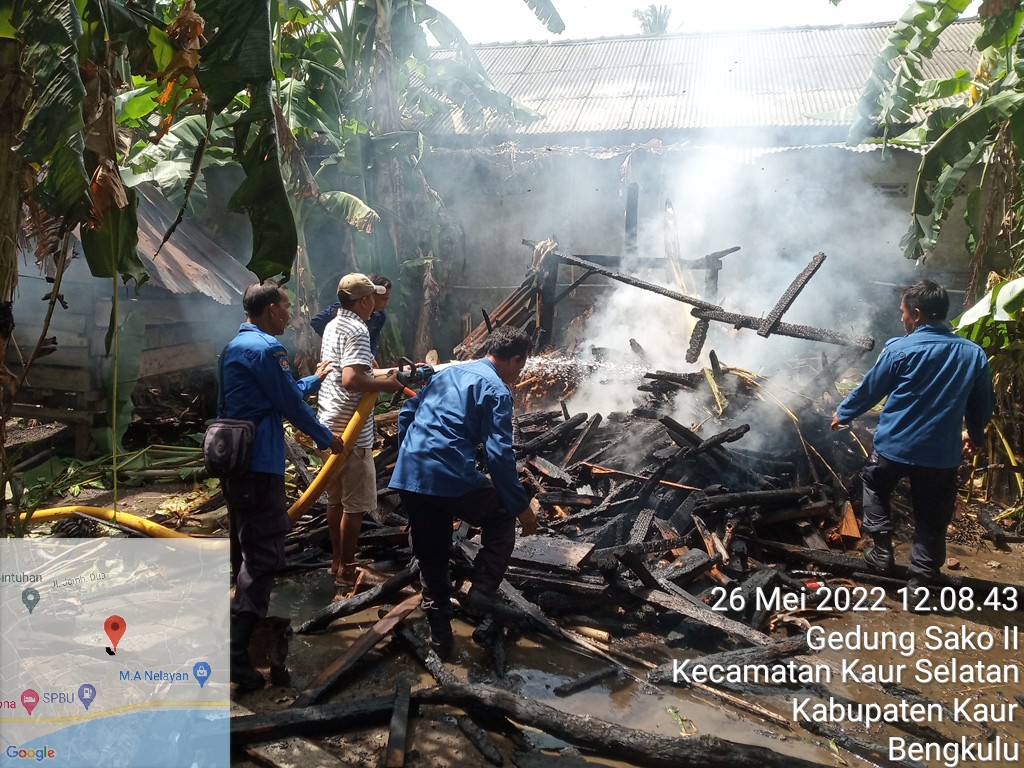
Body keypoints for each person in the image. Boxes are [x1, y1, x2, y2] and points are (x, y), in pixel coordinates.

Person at [220, 280, 346, 692]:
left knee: (243, 549)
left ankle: (236, 637)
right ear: (270, 309)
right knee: (263, 554)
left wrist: (314, 380)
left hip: (234, 461)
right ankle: (237, 657)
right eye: (286, 307)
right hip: (260, 464)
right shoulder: (267, 349)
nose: (289, 315)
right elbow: (289, 405)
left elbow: (275, 394)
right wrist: (326, 437)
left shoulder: (236, 347)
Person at [831, 279, 993, 588]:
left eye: (903, 312)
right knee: (932, 517)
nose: (902, 318)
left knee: (874, 483)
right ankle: (921, 583)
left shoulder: (899, 349)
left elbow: (870, 388)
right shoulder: (973, 355)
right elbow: (982, 404)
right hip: (940, 457)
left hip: (894, 448)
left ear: (916, 314)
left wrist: (845, 412)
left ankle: (881, 549)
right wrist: (975, 435)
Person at [390, 326, 539, 660]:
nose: (518, 374)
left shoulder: (447, 374)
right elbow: (500, 455)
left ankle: (442, 641)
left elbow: (406, 414)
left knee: (432, 553)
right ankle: (483, 591)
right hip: (448, 474)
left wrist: (410, 460)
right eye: (520, 367)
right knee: (501, 511)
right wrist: (520, 505)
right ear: (514, 359)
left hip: (411, 474)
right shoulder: (496, 389)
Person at [317, 273, 403, 587]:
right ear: (364, 301)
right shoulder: (357, 327)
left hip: (328, 422)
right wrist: (386, 384)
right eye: (372, 299)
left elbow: (347, 369)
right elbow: (352, 380)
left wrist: (388, 374)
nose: (375, 305)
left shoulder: (333, 325)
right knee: (354, 506)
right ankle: (348, 569)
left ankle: (337, 562)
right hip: (349, 428)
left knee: (335, 500)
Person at [311, 273, 392, 363]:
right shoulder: (357, 330)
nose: (386, 304)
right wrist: (340, 341)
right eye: (383, 299)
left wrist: (369, 356)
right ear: (365, 300)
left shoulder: (380, 316)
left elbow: (373, 339)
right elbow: (352, 376)